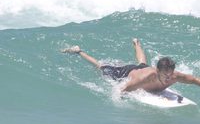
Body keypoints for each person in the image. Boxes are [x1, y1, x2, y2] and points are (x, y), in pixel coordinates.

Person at [62, 39, 200, 93]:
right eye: (165, 75)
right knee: (101, 67)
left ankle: (136, 43)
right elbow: (123, 90)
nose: (169, 78)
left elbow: (194, 80)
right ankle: (78, 51)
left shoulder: (175, 76)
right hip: (127, 72)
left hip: (142, 69)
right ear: (158, 71)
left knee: (142, 64)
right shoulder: (145, 79)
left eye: (170, 74)